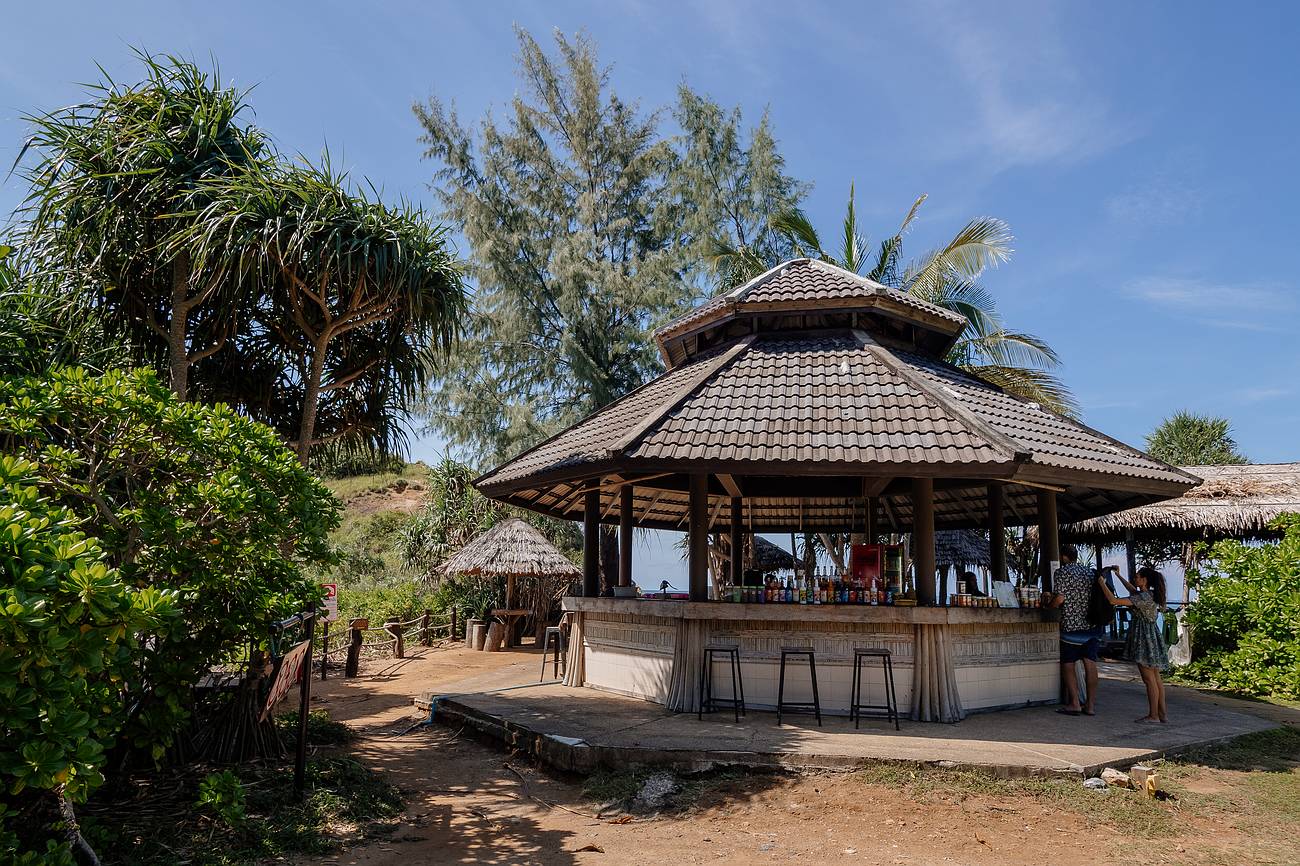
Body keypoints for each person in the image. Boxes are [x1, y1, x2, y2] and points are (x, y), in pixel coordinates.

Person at [1098, 565, 1169, 723]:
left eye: (1137, 577)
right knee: (1156, 677)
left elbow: (1113, 600)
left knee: (1148, 679)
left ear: (1144, 580)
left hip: (1143, 639)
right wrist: (1118, 575)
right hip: (1152, 636)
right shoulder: (1148, 594)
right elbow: (1132, 590)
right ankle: (1162, 713)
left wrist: (1101, 582)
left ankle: (1153, 716)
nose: (1135, 579)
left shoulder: (1141, 598)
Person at [1053, 545, 1103, 716]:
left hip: (1071, 626)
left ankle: (1074, 702)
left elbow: (1060, 598)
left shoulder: (1062, 573)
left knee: (1068, 664)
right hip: (1092, 625)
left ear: (1063, 556)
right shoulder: (1089, 572)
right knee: (1090, 664)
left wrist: (1050, 606)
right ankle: (1090, 705)